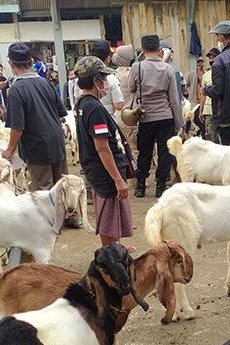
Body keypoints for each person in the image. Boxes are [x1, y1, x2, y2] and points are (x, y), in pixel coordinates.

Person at [73, 56, 133, 248]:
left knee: (111, 215)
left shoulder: (82, 104)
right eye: (103, 79)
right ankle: (111, 254)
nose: (106, 83)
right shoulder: (94, 108)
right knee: (108, 217)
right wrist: (117, 179)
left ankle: (116, 249)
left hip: (97, 170)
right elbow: (102, 146)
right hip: (105, 173)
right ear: (95, 81)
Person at [1, 43, 68, 191]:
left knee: (43, 191)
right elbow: (61, 112)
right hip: (57, 143)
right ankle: (64, 215)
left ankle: (50, 215)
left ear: (11, 64)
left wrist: (10, 150)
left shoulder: (16, 89)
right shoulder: (46, 83)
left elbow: (18, 126)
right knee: (62, 189)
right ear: (31, 62)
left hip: (37, 147)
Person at [129, 35, 182, 198]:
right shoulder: (168, 69)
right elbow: (174, 98)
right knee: (164, 152)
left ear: (143, 50)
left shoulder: (136, 67)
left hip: (146, 116)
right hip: (165, 116)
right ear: (159, 50)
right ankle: (160, 186)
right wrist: (179, 122)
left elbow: (131, 88)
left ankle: (140, 187)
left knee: (144, 151)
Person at [112, 44, 138, 151]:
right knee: (137, 149)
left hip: (119, 116)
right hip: (132, 116)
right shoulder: (131, 73)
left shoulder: (113, 75)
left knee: (126, 148)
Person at [199, 47, 221, 143]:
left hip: (220, 109)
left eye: (214, 57)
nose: (212, 60)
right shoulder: (206, 75)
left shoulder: (222, 72)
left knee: (221, 136)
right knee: (211, 137)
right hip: (208, 109)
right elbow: (203, 95)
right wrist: (201, 111)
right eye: (210, 58)